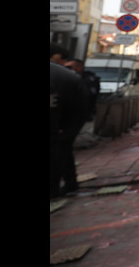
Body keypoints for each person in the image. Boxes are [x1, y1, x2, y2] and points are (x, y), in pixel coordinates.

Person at [50, 44, 86, 199]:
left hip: (60, 125)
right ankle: (58, 189)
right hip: (60, 125)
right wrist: (70, 129)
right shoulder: (69, 77)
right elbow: (80, 106)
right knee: (59, 155)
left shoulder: (64, 75)